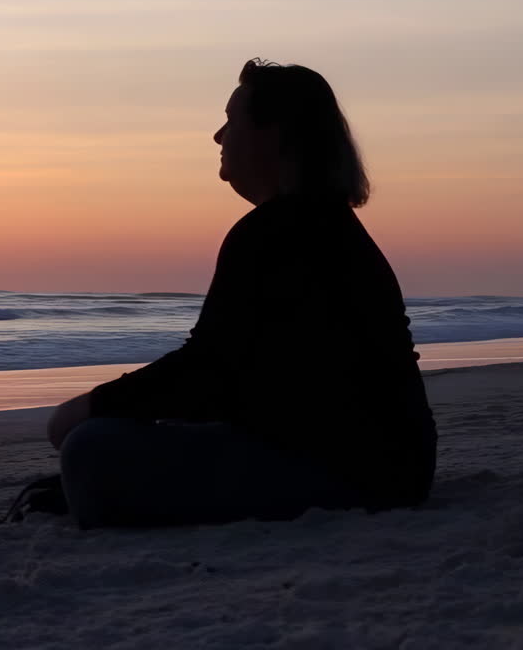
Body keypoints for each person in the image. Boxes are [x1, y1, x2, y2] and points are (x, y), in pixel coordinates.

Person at [45, 58, 437, 529]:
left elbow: (207, 370)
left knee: (92, 446)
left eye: (231, 121)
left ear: (273, 134)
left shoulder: (278, 229)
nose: (218, 137)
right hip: (392, 465)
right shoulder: (325, 225)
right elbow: (260, 378)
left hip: (349, 473)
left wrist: (88, 405)